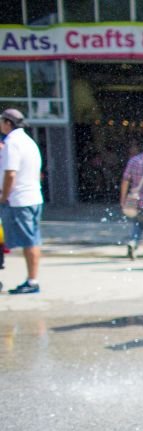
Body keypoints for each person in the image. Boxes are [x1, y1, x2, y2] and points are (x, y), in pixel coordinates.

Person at [0, 109, 44, 295]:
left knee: (29, 241)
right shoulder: (28, 141)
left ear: (8, 123)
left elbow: (11, 173)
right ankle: (32, 279)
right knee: (31, 239)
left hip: (18, 199)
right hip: (32, 197)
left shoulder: (12, 143)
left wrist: (4, 196)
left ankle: (32, 281)